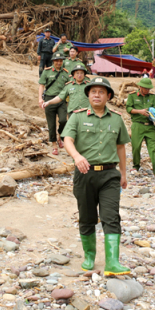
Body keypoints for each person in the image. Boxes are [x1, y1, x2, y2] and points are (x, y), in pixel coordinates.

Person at [62, 76, 131, 276]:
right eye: (93, 91)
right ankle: (89, 255)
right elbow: (67, 139)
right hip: (85, 174)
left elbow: (120, 147)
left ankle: (112, 263)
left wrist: (123, 174)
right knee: (87, 217)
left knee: (111, 216)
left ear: (108, 96)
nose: (97, 95)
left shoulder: (117, 119)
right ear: (88, 95)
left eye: (101, 92)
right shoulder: (77, 117)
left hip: (110, 175)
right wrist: (77, 157)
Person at [126, 77, 155, 178]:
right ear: (140, 87)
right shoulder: (132, 96)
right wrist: (140, 111)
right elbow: (128, 108)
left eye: (149, 88)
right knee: (136, 147)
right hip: (137, 125)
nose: (147, 90)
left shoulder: (152, 97)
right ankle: (136, 166)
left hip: (150, 126)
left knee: (153, 148)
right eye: (146, 88)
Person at [39, 55, 70, 155]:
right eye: (56, 61)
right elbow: (41, 85)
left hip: (61, 100)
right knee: (51, 124)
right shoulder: (47, 71)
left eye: (60, 61)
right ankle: (54, 145)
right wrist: (40, 99)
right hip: (49, 99)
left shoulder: (65, 73)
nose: (59, 63)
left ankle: (60, 136)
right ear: (53, 61)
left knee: (63, 120)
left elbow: (68, 87)